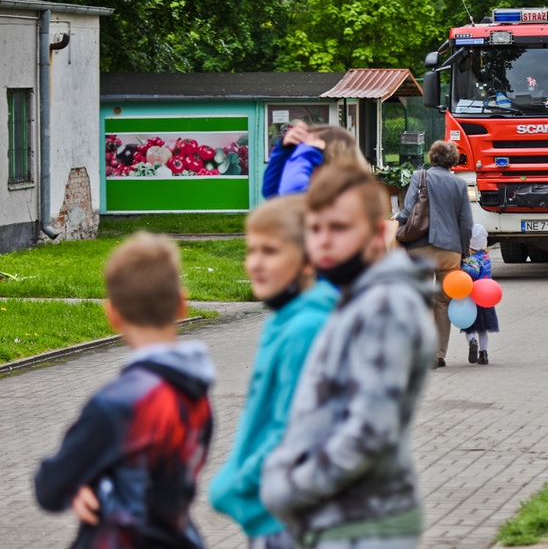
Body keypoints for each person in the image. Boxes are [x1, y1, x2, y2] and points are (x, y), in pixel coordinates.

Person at [260, 164, 437, 549]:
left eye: (338, 229)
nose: (323, 242)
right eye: (315, 229)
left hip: (359, 524)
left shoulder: (386, 306)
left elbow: (370, 430)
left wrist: (288, 487)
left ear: (377, 234)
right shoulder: (358, 298)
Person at [35, 233, 215, 549]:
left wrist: (83, 484)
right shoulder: (196, 393)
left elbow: (49, 487)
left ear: (112, 314)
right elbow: (154, 476)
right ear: (182, 305)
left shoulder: (116, 405)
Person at [209, 197, 338, 548]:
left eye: (271, 251)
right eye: (251, 251)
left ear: (309, 260)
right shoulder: (288, 319)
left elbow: (294, 432)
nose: (255, 263)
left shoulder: (306, 328)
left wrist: (237, 483)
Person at [396, 140, 473, 369]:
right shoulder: (460, 185)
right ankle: (438, 355)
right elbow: (466, 224)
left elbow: (409, 210)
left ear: (431, 157)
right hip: (450, 252)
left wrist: (396, 221)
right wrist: (465, 252)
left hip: (419, 248)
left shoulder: (420, 177)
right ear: (453, 160)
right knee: (442, 303)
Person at [262, 121, 369, 199]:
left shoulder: (339, 196)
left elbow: (291, 193)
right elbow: (271, 192)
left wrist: (306, 154)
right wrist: (283, 150)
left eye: (312, 151)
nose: (298, 155)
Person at [460, 224, 499, 365]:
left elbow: (474, 273)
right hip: (485, 298)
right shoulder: (486, 257)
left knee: (470, 327)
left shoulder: (472, 260)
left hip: (472, 298)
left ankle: (472, 341)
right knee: (483, 329)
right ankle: (484, 354)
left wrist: (463, 266)